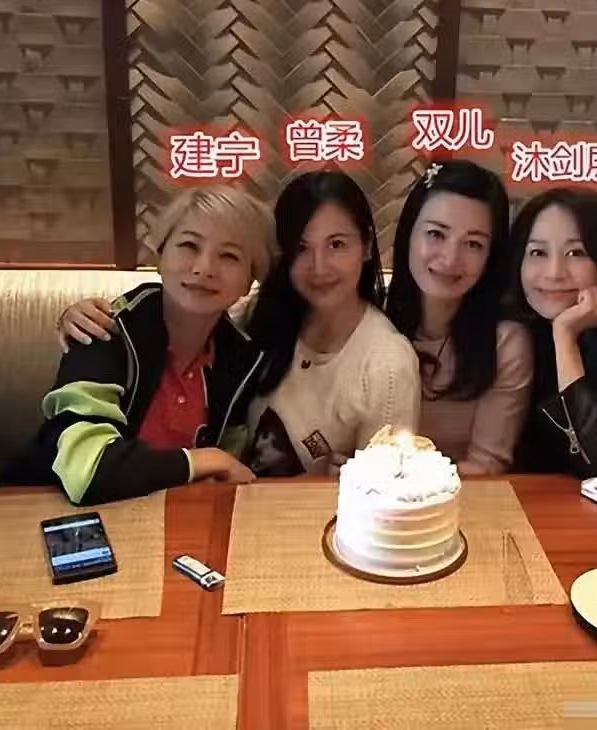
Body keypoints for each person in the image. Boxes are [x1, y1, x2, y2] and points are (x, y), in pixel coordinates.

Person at [21, 186, 275, 505]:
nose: (204, 268)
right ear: (160, 257)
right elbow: (87, 473)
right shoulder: (104, 330)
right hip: (44, 512)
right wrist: (205, 459)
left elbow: (228, 473)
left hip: (170, 519)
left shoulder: (242, 359)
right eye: (189, 245)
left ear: (249, 280)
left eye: (229, 256)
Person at [242, 170, 421, 476]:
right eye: (302, 248)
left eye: (336, 244)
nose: (319, 267)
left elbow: (382, 488)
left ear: (367, 246)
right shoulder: (259, 316)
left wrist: (334, 482)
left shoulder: (388, 364)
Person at [384, 160, 532, 474]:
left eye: (473, 244)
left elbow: (486, 466)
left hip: (459, 500)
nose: (451, 259)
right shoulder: (371, 321)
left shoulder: (504, 343)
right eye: (436, 234)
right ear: (409, 233)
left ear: (491, 256)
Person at [506, 188, 597, 477]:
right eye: (538, 252)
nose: (554, 272)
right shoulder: (511, 333)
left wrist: (565, 336)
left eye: (576, 253)